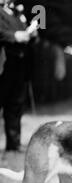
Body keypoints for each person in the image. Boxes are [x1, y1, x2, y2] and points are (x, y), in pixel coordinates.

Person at [0, 0, 36, 152]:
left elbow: (26, 36)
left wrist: (31, 34)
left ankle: (13, 144)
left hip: (19, 64)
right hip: (3, 62)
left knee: (15, 104)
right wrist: (14, 36)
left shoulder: (18, 15)